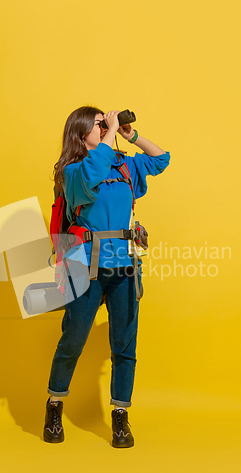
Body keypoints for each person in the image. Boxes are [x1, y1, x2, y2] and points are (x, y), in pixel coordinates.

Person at [44, 106, 170, 447]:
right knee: (73, 341)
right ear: (81, 131)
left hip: (126, 264)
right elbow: (92, 173)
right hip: (85, 266)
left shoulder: (123, 164)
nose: (106, 127)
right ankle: (55, 404)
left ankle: (120, 416)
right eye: (100, 124)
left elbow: (161, 160)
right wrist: (110, 135)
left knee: (125, 346)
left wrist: (131, 136)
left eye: (106, 122)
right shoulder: (72, 172)